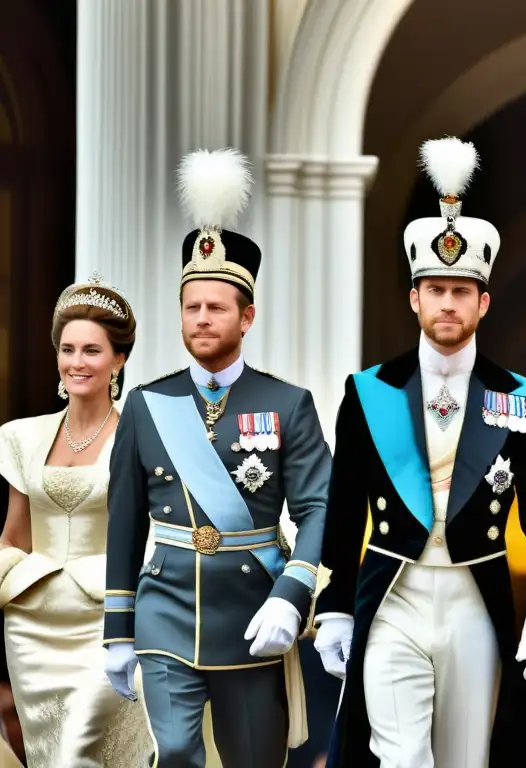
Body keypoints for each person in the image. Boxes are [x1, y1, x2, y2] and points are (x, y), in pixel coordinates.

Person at [313, 136, 526, 767]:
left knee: (465, 759)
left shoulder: (522, 397)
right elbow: (342, 504)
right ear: (414, 298)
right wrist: (332, 608)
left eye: (462, 290)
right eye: (436, 288)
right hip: (393, 594)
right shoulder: (368, 391)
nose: (448, 302)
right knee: (401, 759)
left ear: (483, 301)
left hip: (472, 596)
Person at [101, 148, 333, 768]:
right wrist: (117, 630)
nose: (201, 319)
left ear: (246, 315)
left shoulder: (289, 403)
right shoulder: (149, 405)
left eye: (216, 307)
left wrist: (293, 592)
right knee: (174, 751)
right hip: (165, 611)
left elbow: (319, 509)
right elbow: (124, 522)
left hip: (255, 612)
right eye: (191, 307)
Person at [0, 274, 153, 766]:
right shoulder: (22, 436)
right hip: (32, 626)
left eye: (91, 350)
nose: (76, 362)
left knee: (78, 751)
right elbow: (15, 535)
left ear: (119, 360)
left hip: (104, 624)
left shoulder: (141, 435)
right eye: (67, 349)